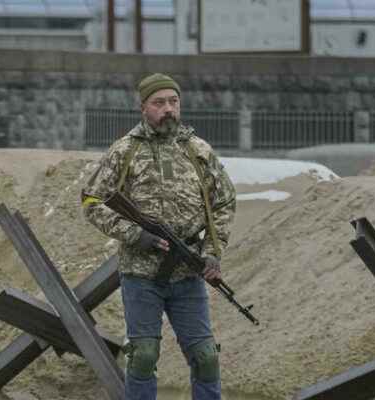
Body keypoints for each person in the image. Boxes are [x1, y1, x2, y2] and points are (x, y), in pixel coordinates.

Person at [81, 73, 236, 400]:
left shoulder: (198, 150)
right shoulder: (125, 151)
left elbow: (224, 201)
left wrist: (211, 251)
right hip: (141, 274)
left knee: (206, 357)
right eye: (159, 102)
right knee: (143, 355)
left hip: (188, 273)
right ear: (143, 108)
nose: (168, 109)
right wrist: (135, 234)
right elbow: (92, 201)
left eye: (173, 102)